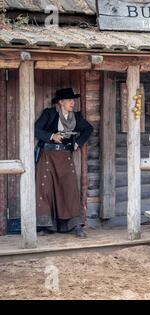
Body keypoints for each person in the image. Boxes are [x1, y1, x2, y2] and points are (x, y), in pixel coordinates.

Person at [35, 88, 93, 238]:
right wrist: (51, 135)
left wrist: (77, 143)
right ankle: (46, 226)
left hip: (65, 156)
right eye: (69, 100)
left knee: (70, 189)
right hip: (47, 155)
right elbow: (36, 129)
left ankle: (74, 225)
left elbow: (88, 129)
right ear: (61, 102)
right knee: (46, 190)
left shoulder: (76, 117)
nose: (72, 103)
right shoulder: (49, 113)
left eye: (73, 100)